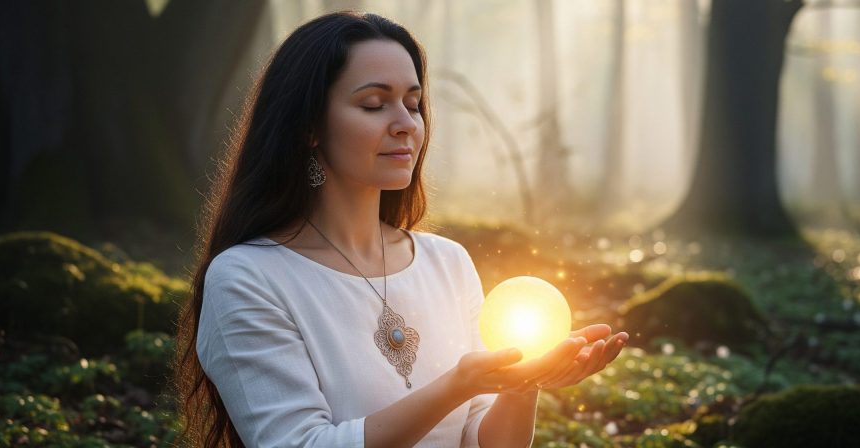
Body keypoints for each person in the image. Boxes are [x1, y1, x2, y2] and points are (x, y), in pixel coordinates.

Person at [174, 11, 628, 447]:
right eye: (374, 105)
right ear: (309, 126)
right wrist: (457, 386)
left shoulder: (447, 263)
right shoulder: (247, 278)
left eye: (413, 104)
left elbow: (486, 443)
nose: (406, 124)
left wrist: (522, 382)